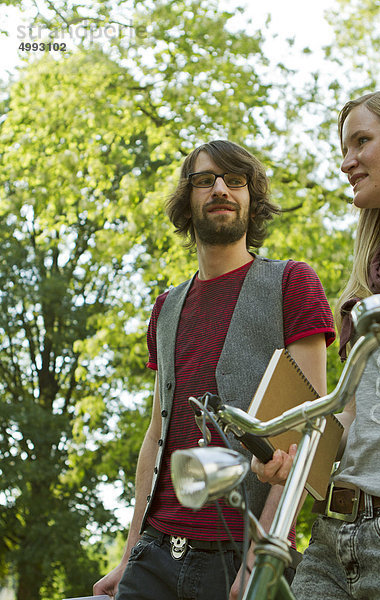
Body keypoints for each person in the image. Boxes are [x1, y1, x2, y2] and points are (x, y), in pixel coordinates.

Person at [93, 139, 335, 600]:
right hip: (155, 552)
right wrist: (128, 556)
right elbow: (155, 433)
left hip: (239, 553)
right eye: (205, 181)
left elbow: (309, 432)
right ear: (188, 200)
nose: (220, 189)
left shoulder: (291, 282)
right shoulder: (165, 307)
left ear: (251, 198)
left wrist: (262, 560)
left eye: (235, 181)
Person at [252, 90, 380, 599]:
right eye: (344, 147)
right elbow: (357, 419)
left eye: (363, 141)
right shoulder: (371, 278)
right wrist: (289, 451)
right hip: (336, 533)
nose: (346, 162)